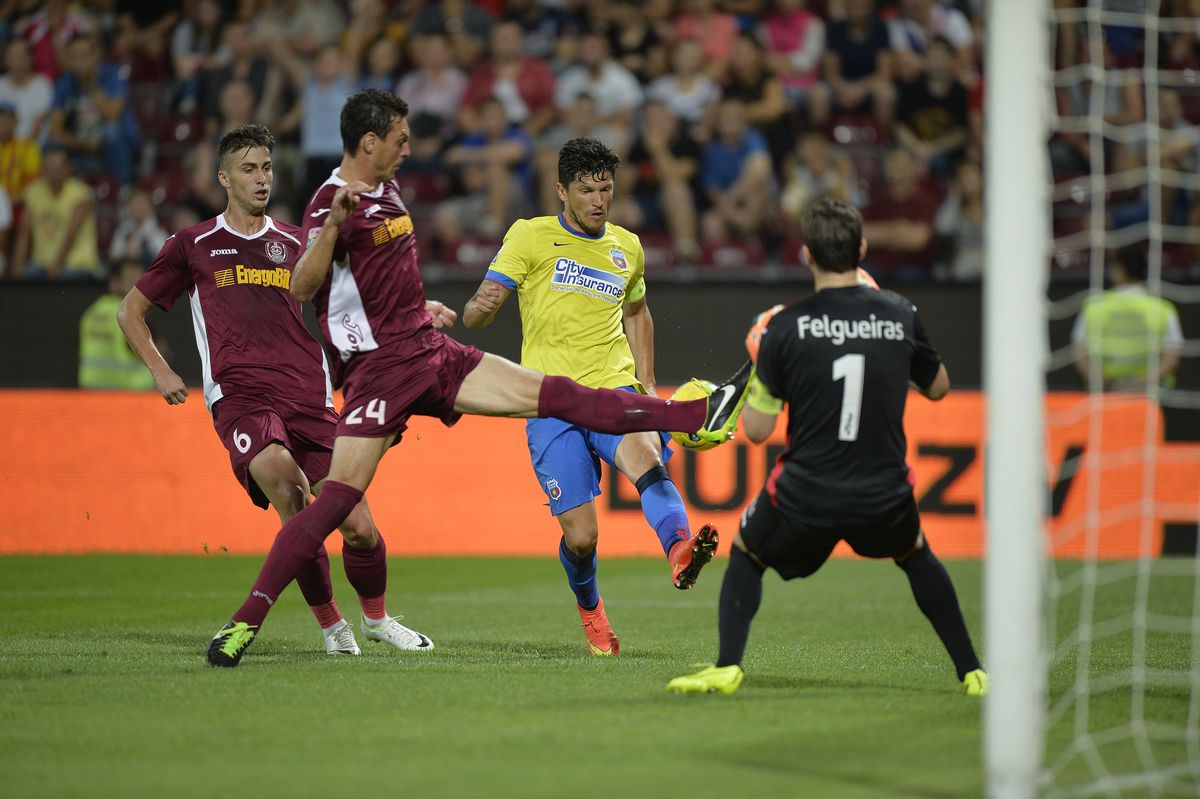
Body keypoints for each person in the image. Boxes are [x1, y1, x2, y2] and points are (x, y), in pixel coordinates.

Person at [205, 89, 753, 668]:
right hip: (380, 373)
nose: (409, 147)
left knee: (563, 396)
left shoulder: (390, 189)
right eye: (399, 138)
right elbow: (302, 286)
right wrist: (332, 228)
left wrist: (425, 311)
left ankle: (697, 413)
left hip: (430, 351)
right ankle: (245, 621)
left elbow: (387, 279)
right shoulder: (329, 202)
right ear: (370, 143)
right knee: (337, 502)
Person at [118, 123, 441, 661]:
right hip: (241, 398)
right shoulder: (193, 244)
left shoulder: (296, 242)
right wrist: (160, 369)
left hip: (308, 397)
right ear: (224, 177)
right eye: (249, 168)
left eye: (267, 167)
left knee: (359, 527)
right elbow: (130, 312)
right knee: (292, 498)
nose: (262, 177)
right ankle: (333, 626)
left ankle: (380, 619)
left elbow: (356, 299)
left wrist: (415, 315)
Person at [667, 197, 988, 697]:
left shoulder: (784, 327)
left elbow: (755, 430)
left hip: (807, 491)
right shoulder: (901, 314)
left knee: (748, 552)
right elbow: (939, 387)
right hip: (883, 489)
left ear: (806, 255)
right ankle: (972, 671)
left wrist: (759, 362)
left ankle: (727, 666)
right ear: (861, 248)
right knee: (916, 555)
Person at [461, 136, 721, 655]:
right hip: (550, 402)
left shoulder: (627, 247)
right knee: (581, 538)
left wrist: (646, 385)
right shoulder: (530, 237)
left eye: (606, 189)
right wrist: (481, 307)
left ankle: (679, 551)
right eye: (586, 190)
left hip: (612, 389)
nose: (599, 201)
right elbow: (477, 312)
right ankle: (591, 611)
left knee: (648, 459)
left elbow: (637, 311)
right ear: (562, 190)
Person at [1072, 246, 1183, 392]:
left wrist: (1100, 379)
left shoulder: (1094, 306)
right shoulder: (1162, 308)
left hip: (1104, 392)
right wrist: (1143, 382)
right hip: (1150, 393)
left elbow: (1079, 351)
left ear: (1119, 270)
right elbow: (1172, 355)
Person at [79, 257, 157, 390]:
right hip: (129, 395)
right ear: (114, 283)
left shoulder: (92, 313)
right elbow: (157, 354)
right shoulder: (130, 314)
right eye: (132, 279)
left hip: (92, 392)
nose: (140, 285)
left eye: (141, 278)